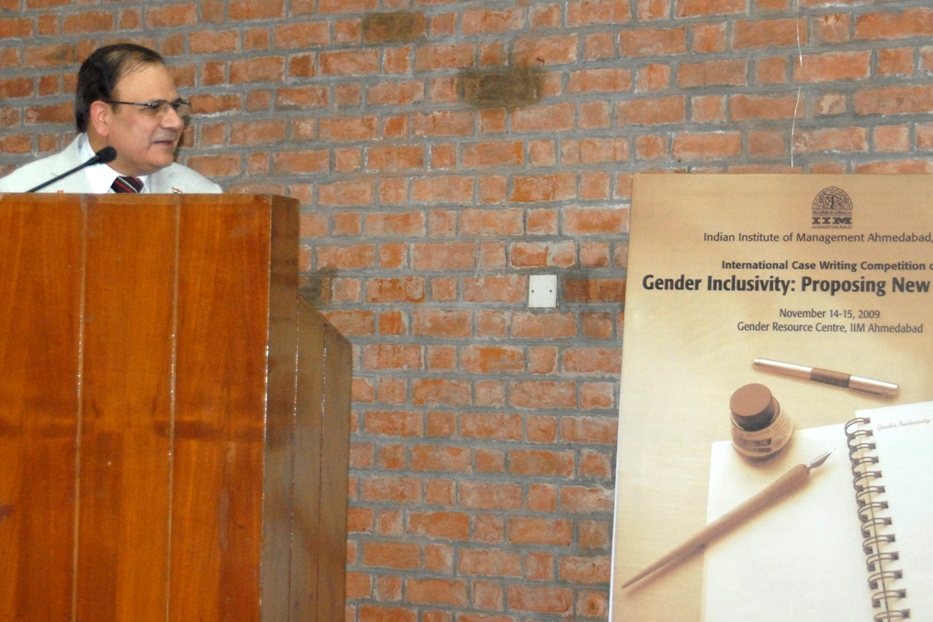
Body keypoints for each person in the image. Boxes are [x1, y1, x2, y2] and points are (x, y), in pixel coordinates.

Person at [0, 43, 220, 194]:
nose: (175, 122)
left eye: (175, 106)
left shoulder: (205, 197)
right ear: (102, 117)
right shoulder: (21, 194)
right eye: (153, 107)